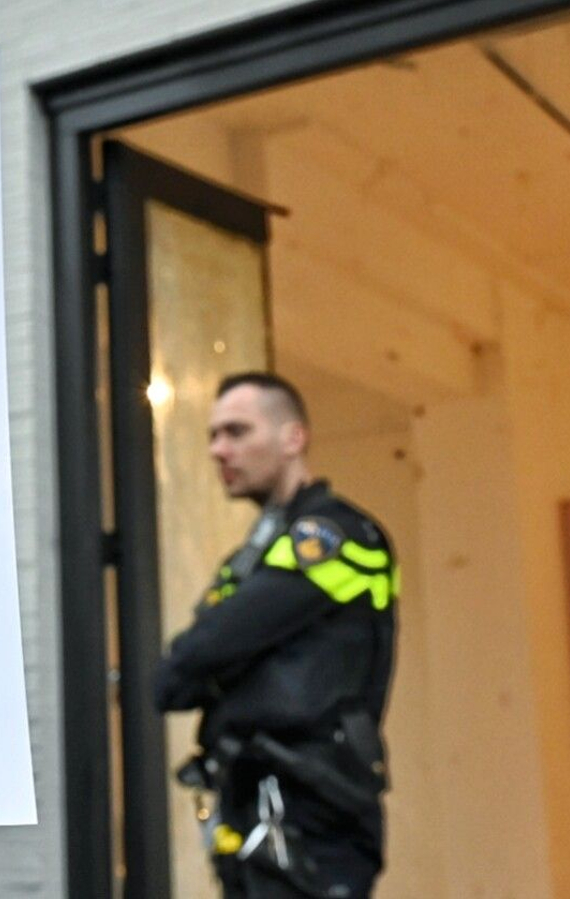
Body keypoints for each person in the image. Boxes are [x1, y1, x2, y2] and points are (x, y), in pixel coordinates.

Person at [155, 372, 398, 899]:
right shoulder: (255, 555)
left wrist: (214, 661)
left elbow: (207, 648)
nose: (219, 450)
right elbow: (175, 679)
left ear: (293, 438)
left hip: (313, 807)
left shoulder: (337, 536)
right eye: (213, 436)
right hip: (251, 801)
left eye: (237, 431)